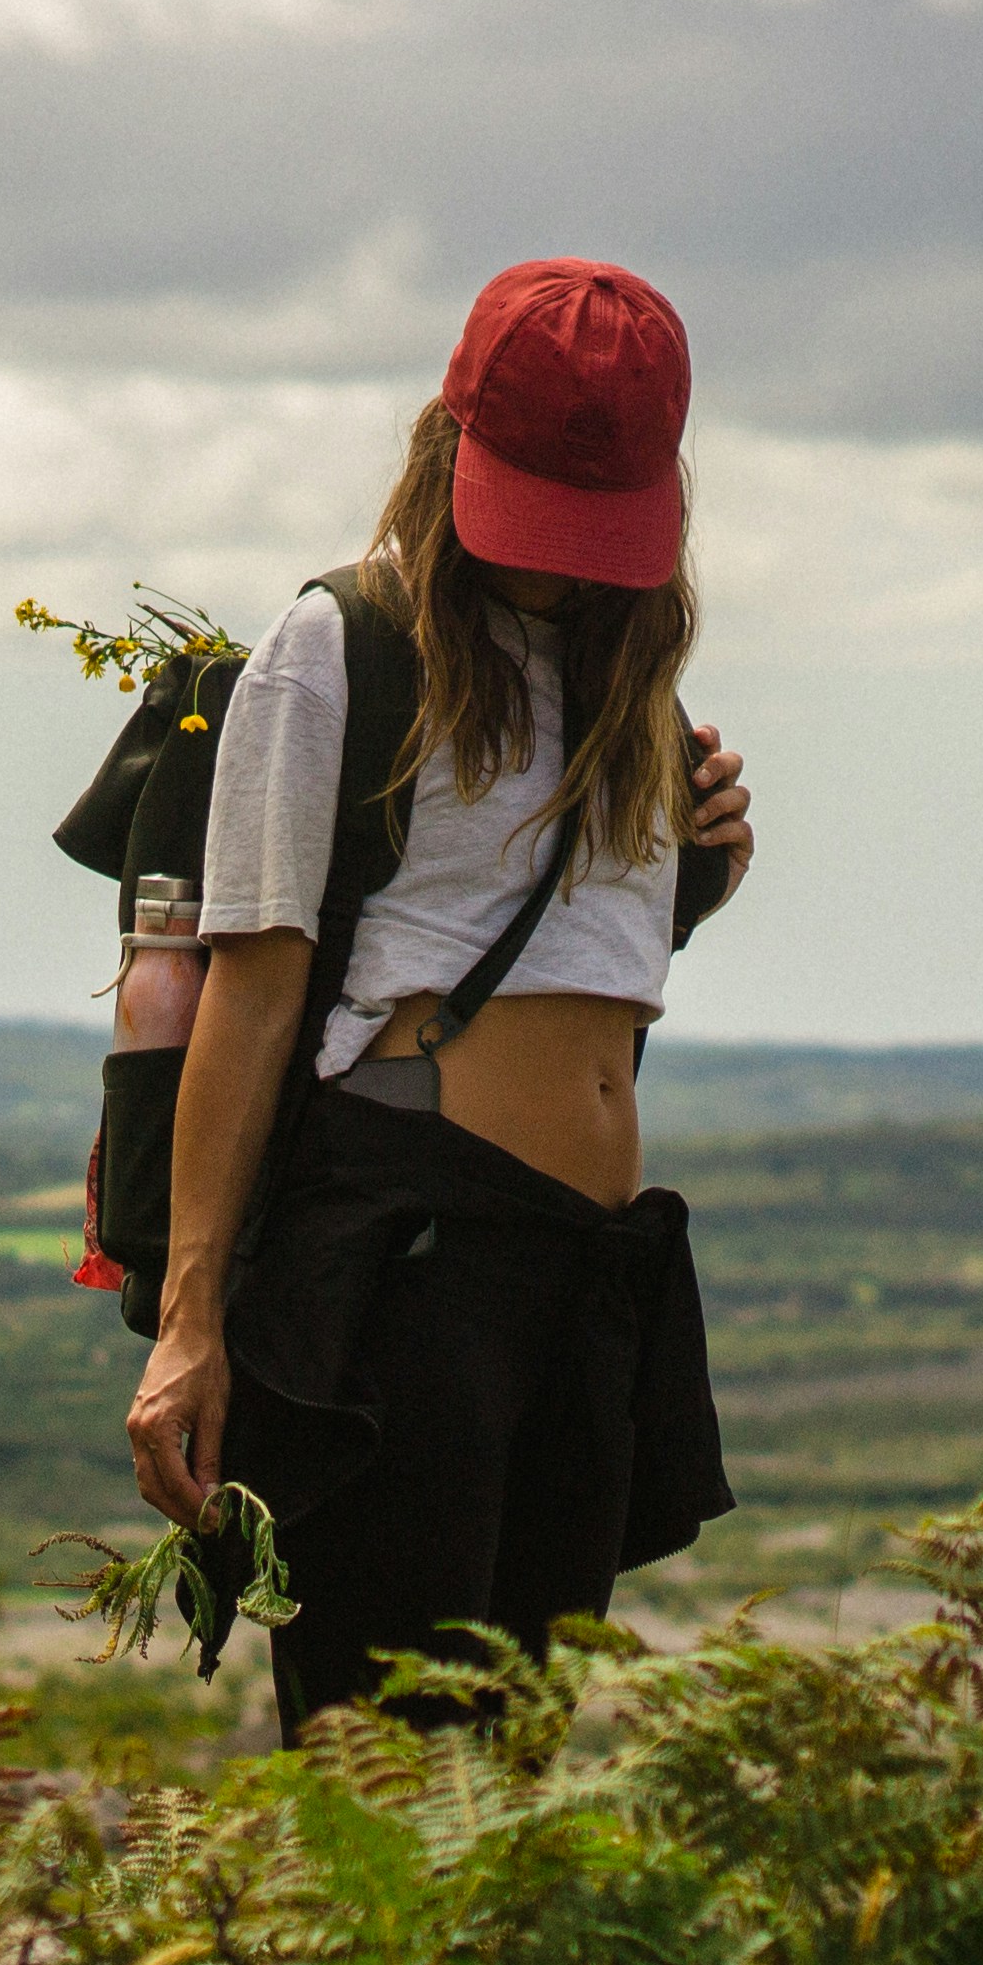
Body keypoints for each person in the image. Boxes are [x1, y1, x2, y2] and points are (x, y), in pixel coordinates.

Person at [134, 256, 756, 1734]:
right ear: (452, 445)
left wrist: (700, 877)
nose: (558, 558)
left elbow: (575, 979)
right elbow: (256, 992)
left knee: (514, 1776)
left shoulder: (625, 683)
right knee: (395, 1764)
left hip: (592, 1272)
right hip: (415, 1261)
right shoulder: (343, 647)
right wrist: (191, 1317)